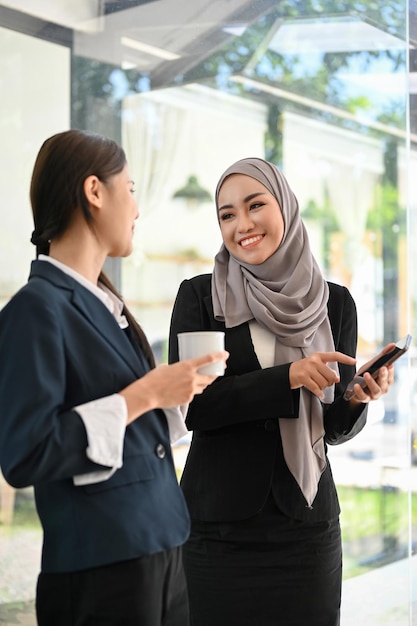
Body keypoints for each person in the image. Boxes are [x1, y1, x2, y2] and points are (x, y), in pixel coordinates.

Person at [0, 129, 228, 626]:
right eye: (130, 189)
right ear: (94, 192)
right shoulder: (35, 310)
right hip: (102, 564)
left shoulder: (106, 307)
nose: (137, 209)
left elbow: (133, 432)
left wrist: (175, 393)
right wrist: (143, 395)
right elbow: (24, 454)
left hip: (160, 545)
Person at [168, 157, 395, 626]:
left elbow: (330, 428)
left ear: (286, 209)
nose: (242, 225)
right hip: (218, 532)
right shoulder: (200, 298)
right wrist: (288, 377)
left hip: (306, 531)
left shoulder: (334, 303)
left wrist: (356, 398)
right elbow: (198, 405)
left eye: (255, 206)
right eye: (227, 214)